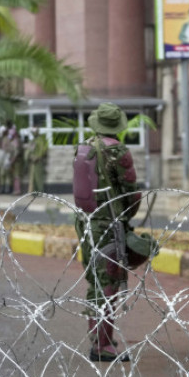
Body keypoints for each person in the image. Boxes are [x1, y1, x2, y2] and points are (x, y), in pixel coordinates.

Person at [73, 103, 141, 362]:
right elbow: (131, 193)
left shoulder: (83, 148)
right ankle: (102, 346)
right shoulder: (118, 151)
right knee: (109, 283)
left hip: (85, 222)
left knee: (96, 280)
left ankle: (98, 338)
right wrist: (127, 216)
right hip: (108, 223)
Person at [26, 127, 48, 193]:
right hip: (32, 161)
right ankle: (34, 191)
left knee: (39, 177)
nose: (33, 133)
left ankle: (40, 191)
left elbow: (43, 150)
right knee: (33, 177)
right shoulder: (33, 140)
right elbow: (29, 150)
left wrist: (38, 157)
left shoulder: (40, 140)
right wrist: (30, 156)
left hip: (38, 161)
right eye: (33, 132)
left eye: (34, 132)